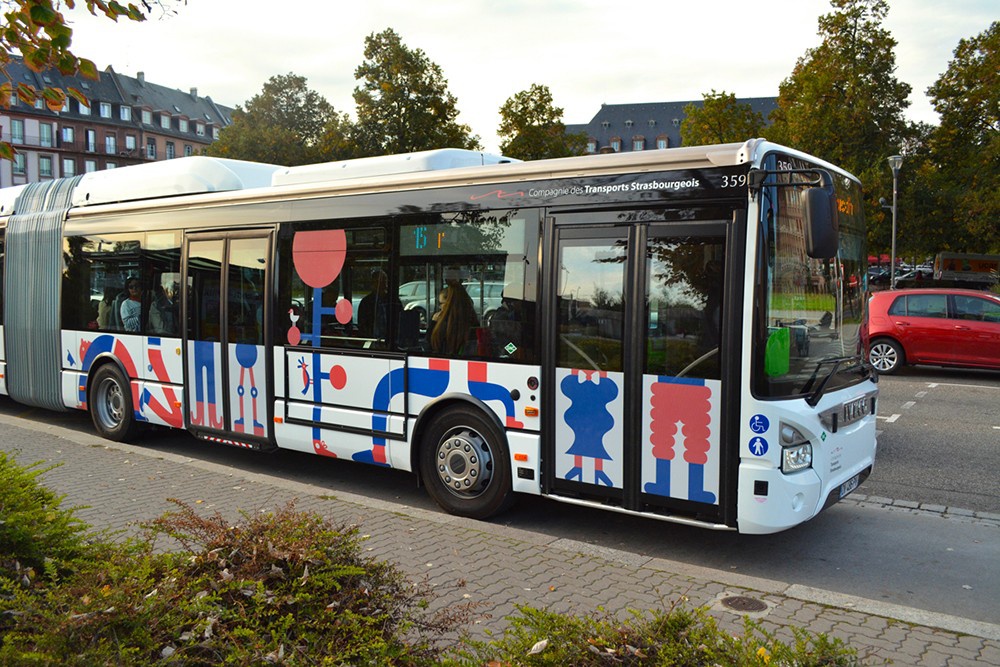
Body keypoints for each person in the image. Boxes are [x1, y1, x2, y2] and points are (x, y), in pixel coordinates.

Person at [430, 281, 479, 355]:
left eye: (441, 303)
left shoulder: (444, 325)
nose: (440, 307)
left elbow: (430, 347)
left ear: (449, 303)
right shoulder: (472, 322)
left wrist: (433, 323)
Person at [357, 270, 402, 342]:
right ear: (372, 283)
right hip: (371, 340)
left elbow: (400, 321)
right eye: (377, 281)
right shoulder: (366, 302)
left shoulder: (394, 300)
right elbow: (362, 325)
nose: (381, 284)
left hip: (392, 340)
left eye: (384, 281)